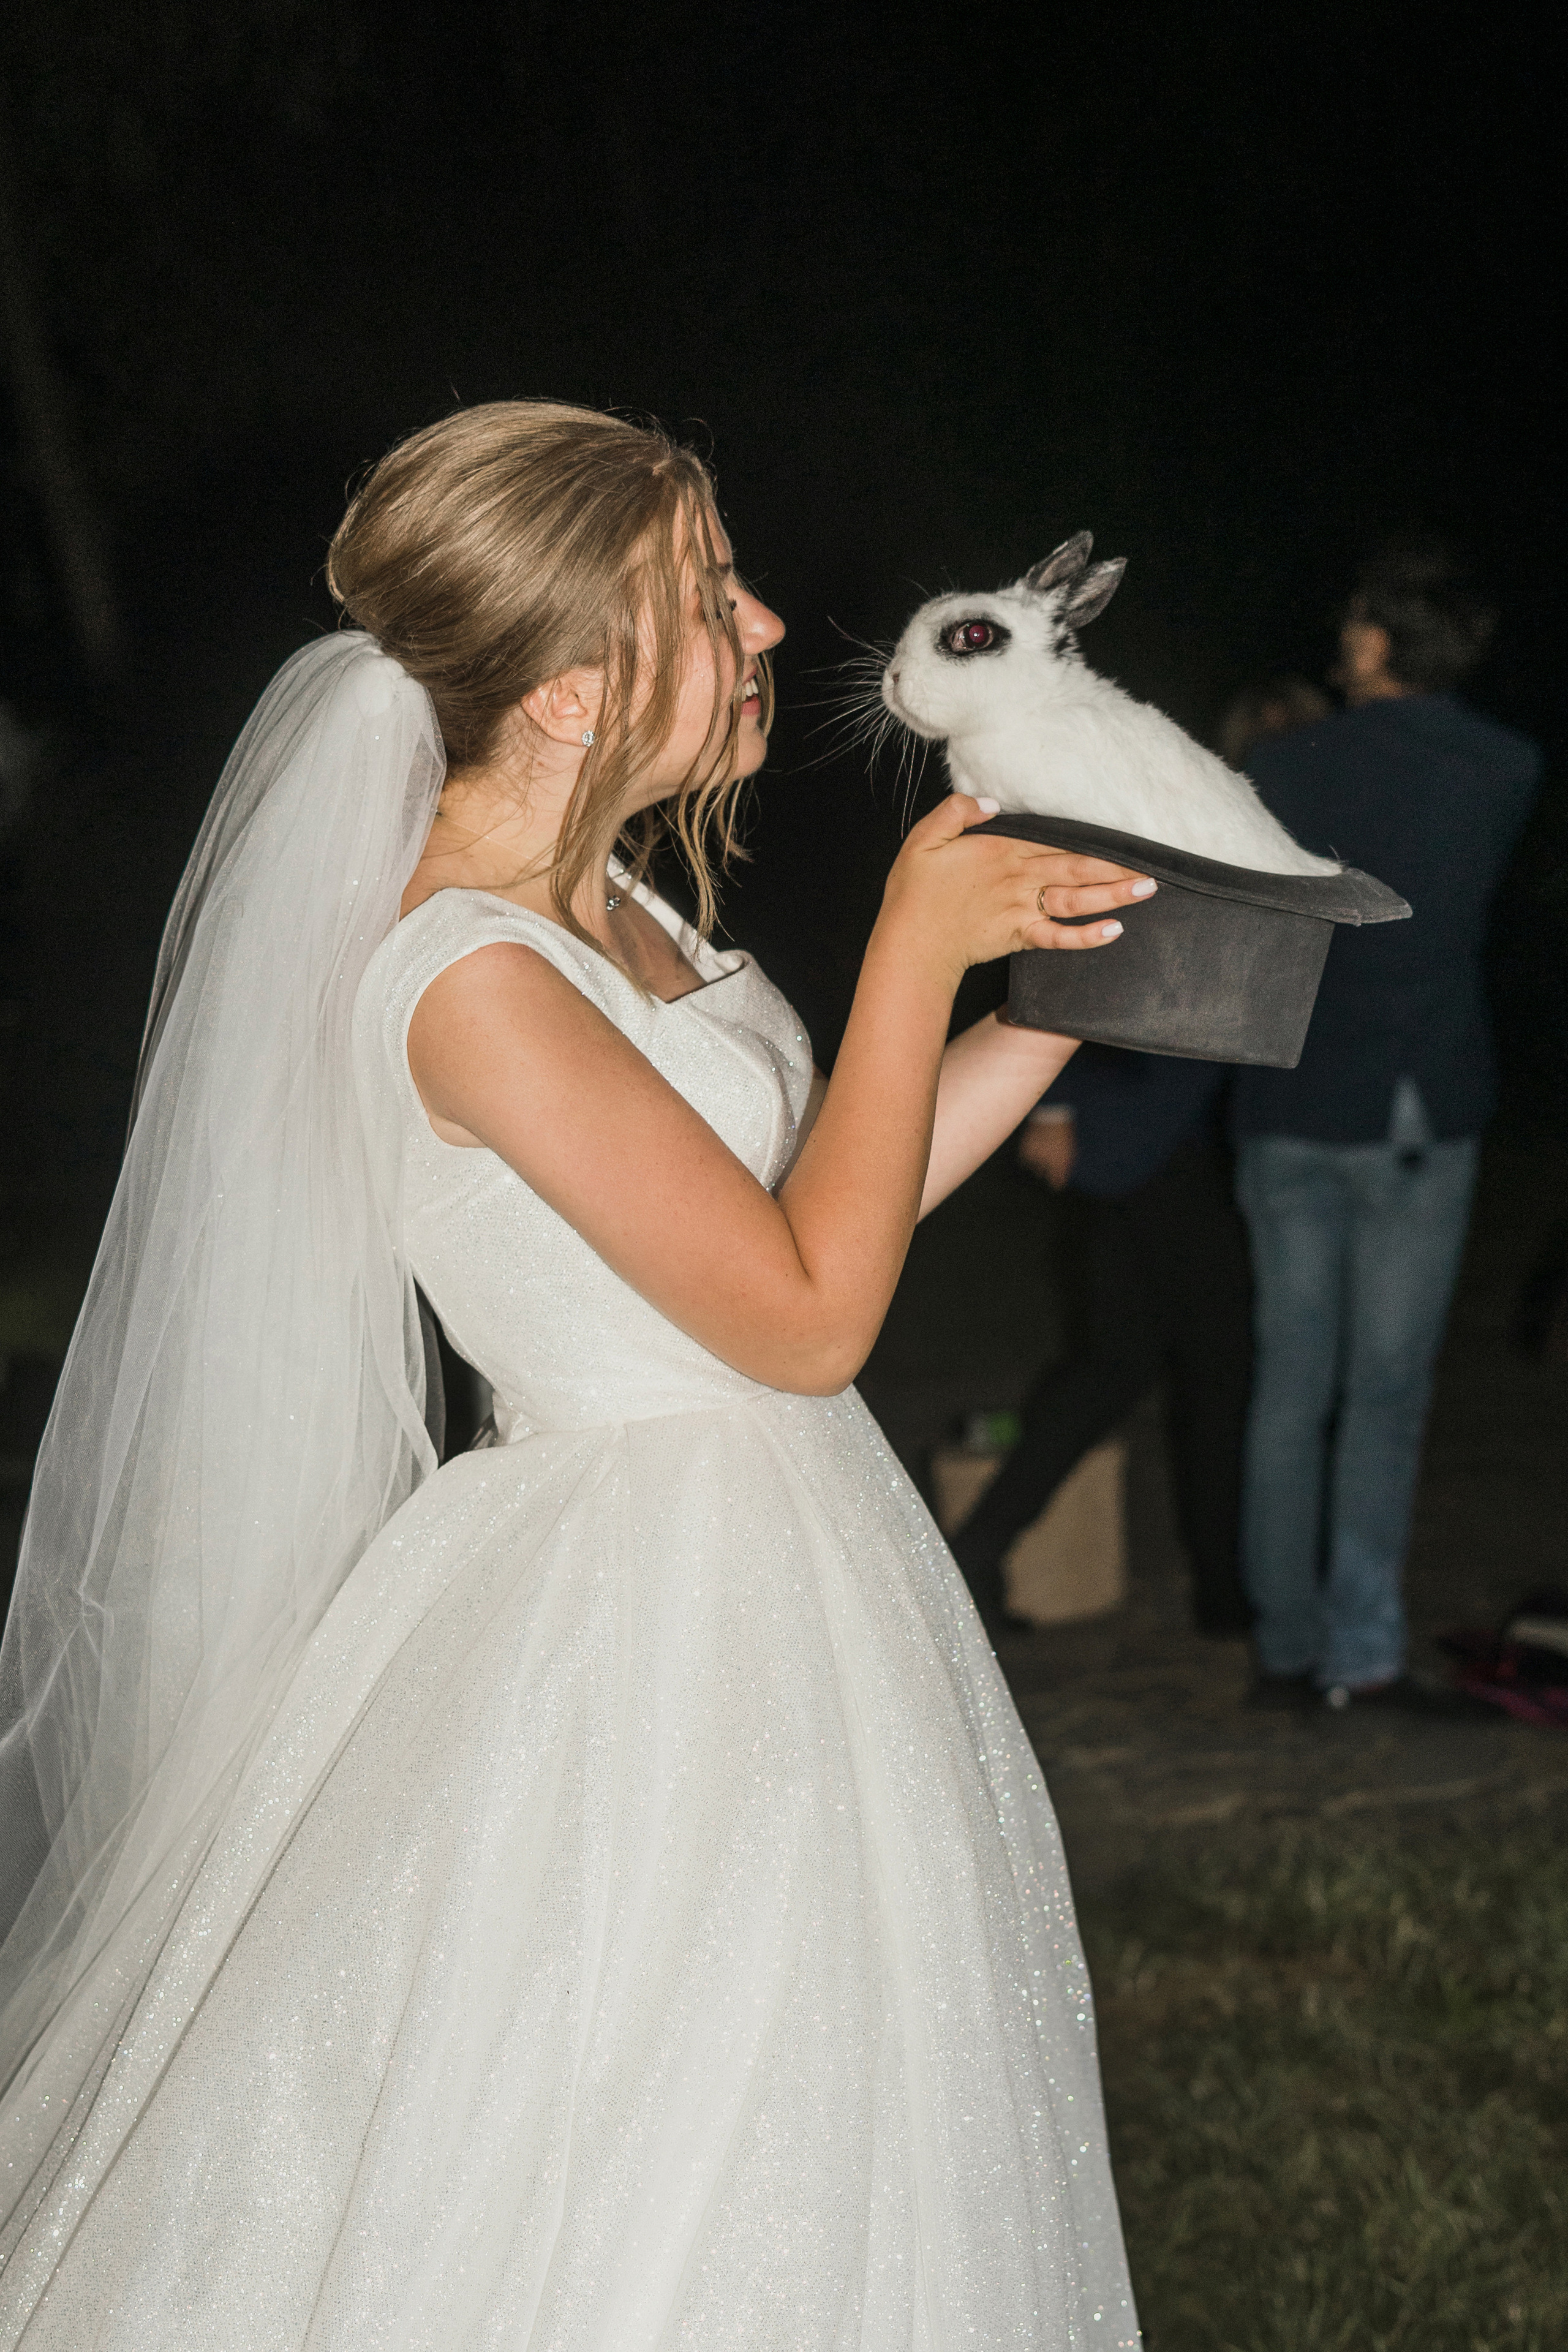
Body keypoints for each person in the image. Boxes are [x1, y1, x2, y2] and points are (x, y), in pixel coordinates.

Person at [0, 404, 1147, 2347]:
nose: (770, 621)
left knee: (824, 2097)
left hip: (785, 1565)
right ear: (557, 687)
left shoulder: (615, 903)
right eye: (706, 598)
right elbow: (801, 1315)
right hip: (638, 1617)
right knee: (631, 2103)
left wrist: (1075, 987)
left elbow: (810, 1203)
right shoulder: (467, 975)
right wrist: (905, 954)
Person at [1234, 541, 1540, 1714]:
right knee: (1383, 1395)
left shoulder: (1288, 762)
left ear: (1380, 639)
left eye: (1356, 621)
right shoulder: (1506, 766)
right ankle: (1360, 1657)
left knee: (1289, 1384)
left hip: (1294, 1101)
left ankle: (1285, 1650)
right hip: (1416, 1106)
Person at [949, 1047, 1254, 1637]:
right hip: (1147, 1141)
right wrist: (1055, 1104)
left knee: (1126, 1372)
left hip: (1163, 1137)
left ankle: (977, 1554)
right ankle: (1224, 1592)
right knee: (1198, 1378)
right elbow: (1079, 970)